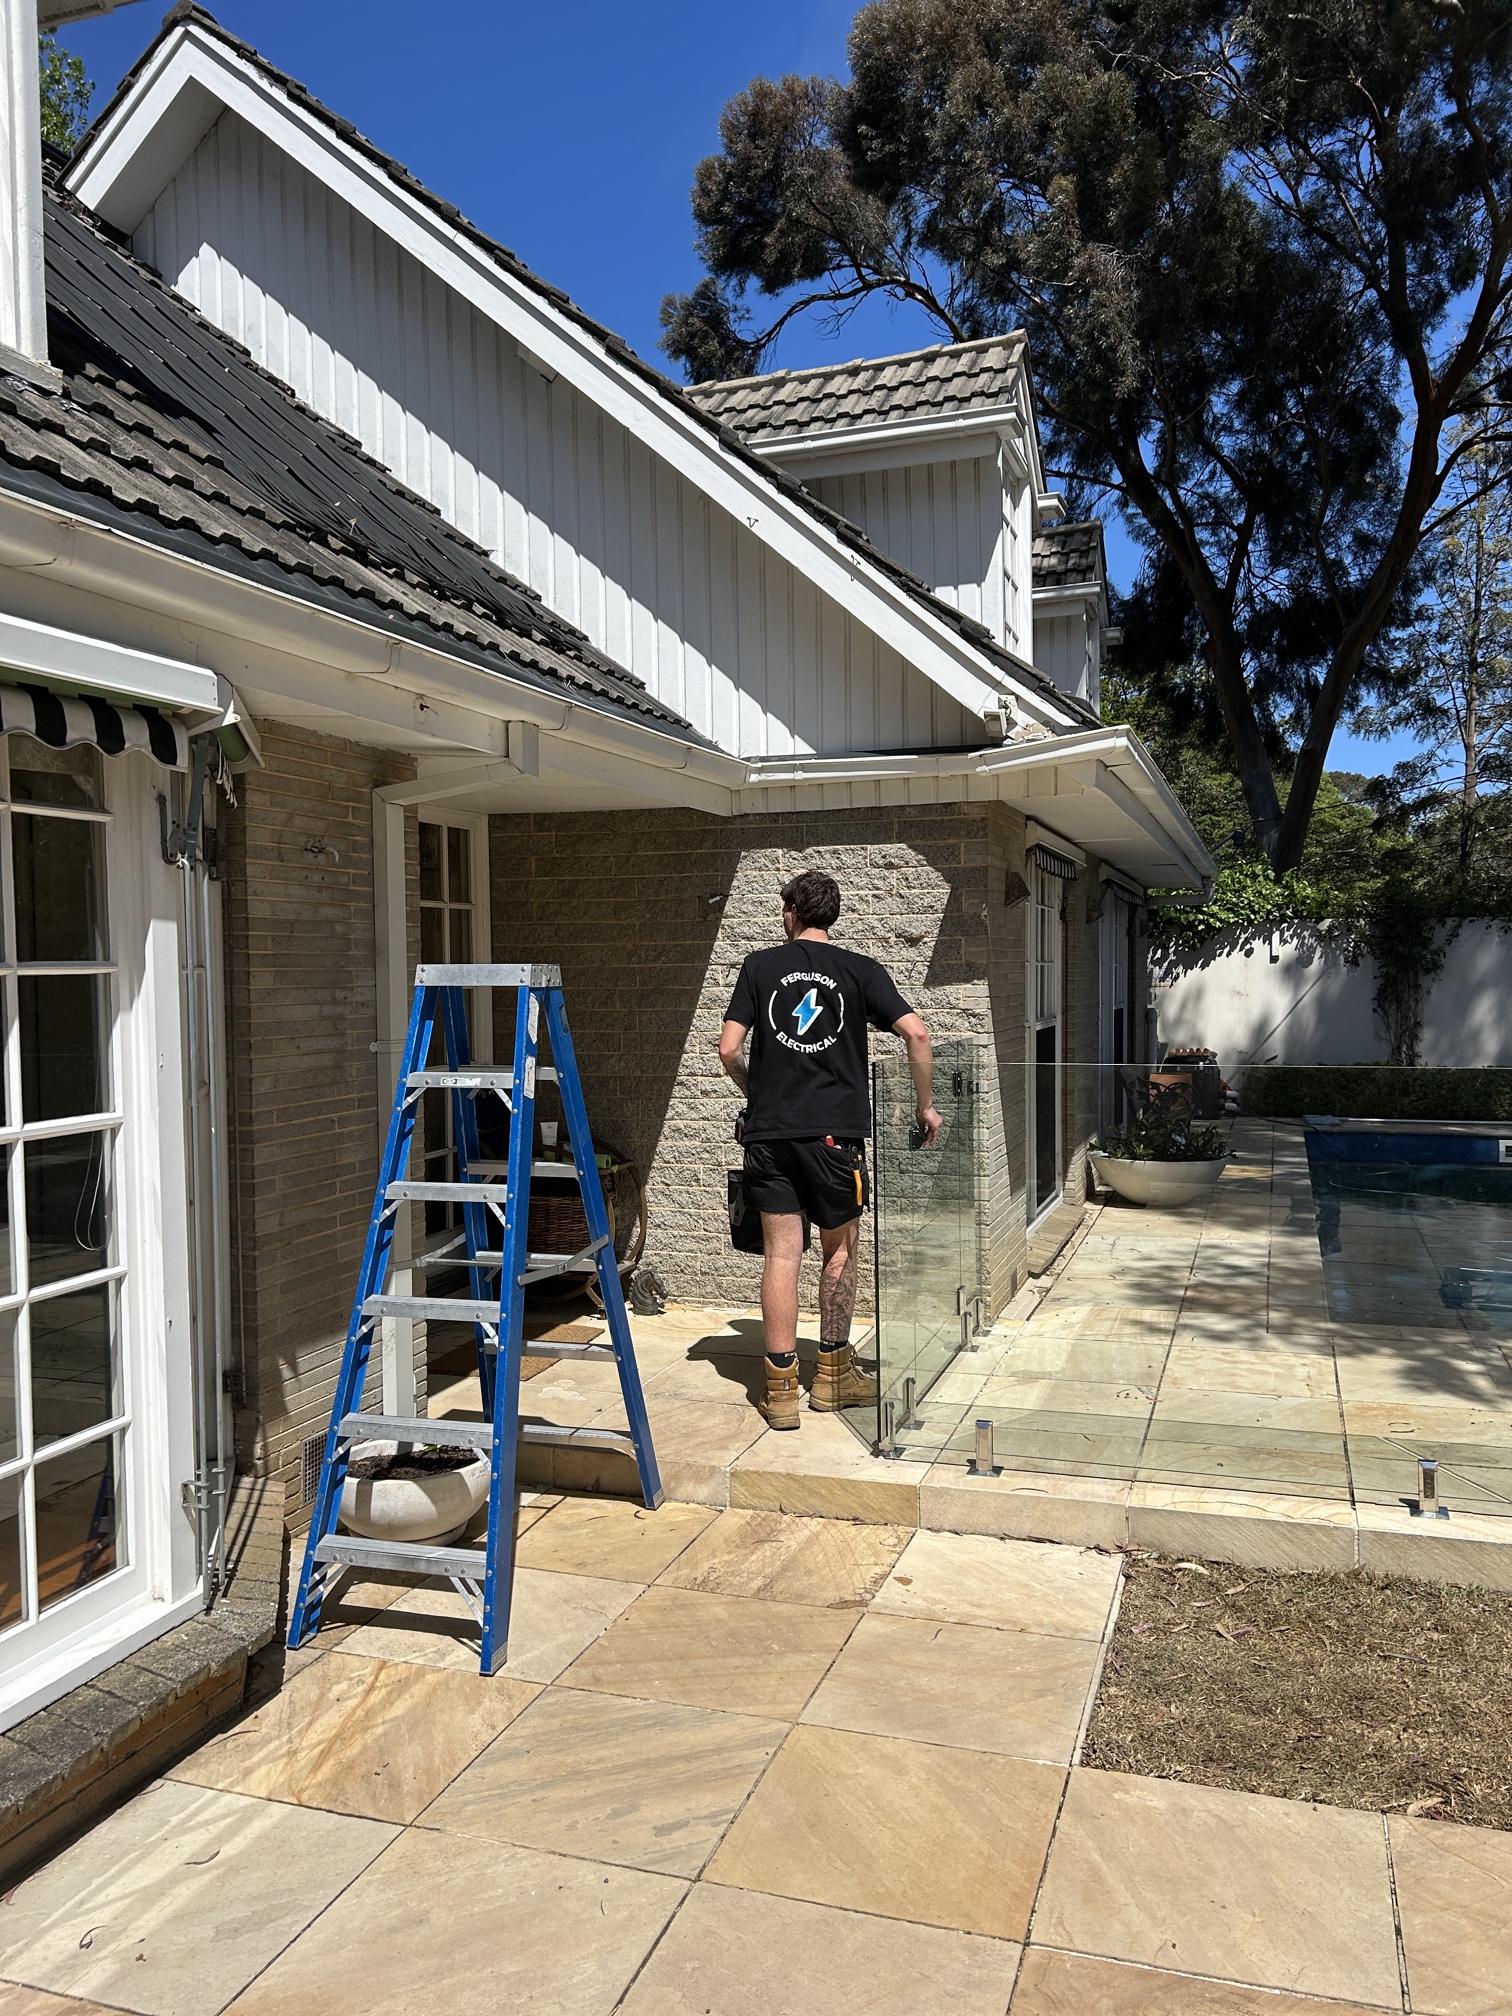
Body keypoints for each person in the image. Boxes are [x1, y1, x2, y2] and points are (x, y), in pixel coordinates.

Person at [718, 869, 941, 1431]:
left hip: (769, 1135)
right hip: (835, 1138)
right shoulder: (860, 971)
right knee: (838, 1251)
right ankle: (834, 1377)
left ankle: (781, 1391)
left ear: (791, 912)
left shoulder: (759, 967)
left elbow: (728, 1050)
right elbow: (916, 1034)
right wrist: (926, 1105)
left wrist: (760, 1092)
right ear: (831, 916)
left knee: (781, 1255)